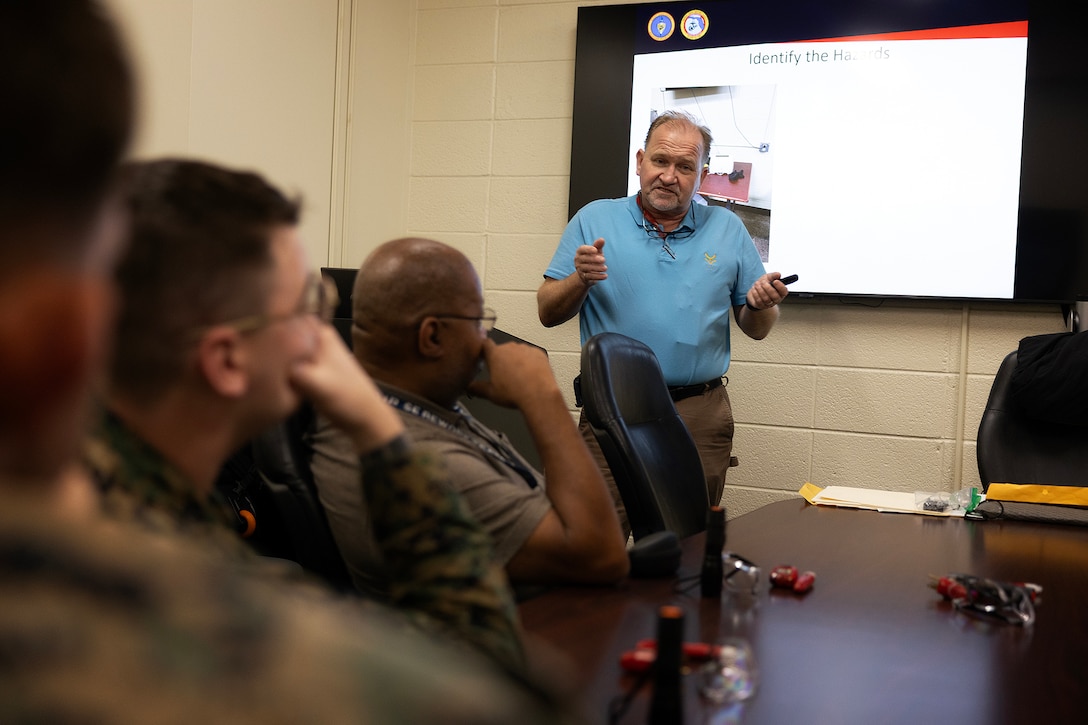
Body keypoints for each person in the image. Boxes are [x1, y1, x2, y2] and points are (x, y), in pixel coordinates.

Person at [83, 157, 528, 671]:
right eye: (307, 307)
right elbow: (486, 670)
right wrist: (380, 429)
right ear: (228, 360)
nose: (323, 334)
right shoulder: (231, 612)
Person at [310, 237, 630, 594]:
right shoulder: (415, 460)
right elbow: (602, 556)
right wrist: (543, 399)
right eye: (478, 321)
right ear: (432, 336)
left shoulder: (412, 404)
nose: (485, 340)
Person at [537, 109, 789, 536]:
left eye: (685, 166)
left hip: (698, 412)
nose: (669, 176)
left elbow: (756, 327)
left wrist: (763, 303)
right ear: (640, 162)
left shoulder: (727, 228)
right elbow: (547, 312)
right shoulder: (594, 219)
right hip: (611, 409)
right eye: (660, 161)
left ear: (703, 175)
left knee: (686, 544)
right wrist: (579, 279)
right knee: (597, 541)